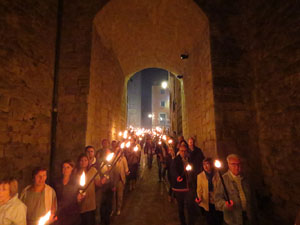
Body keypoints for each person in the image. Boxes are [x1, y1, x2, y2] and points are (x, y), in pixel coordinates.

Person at [214, 154, 253, 225]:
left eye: (238, 164)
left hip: (247, 217)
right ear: (228, 165)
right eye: (233, 164)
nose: (237, 167)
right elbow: (217, 200)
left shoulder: (245, 178)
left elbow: (252, 199)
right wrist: (225, 205)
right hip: (233, 220)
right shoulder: (223, 180)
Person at [76, 153, 103, 225]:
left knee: (89, 221)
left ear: (88, 161)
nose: (83, 162)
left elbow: (98, 183)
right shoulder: (76, 172)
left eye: (85, 160)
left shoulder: (93, 170)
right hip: (79, 203)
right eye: (81, 160)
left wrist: (102, 181)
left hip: (90, 202)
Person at [171, 145, 194, 225]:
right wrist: (177, 177)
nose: (183, 153)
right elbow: (173, 170)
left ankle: (191, 222)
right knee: (180, 207)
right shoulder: (176, 160)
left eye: (185, 151)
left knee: (190, 206)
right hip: (180, 188)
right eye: (181, 151)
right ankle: (183, 222)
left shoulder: (189, 159)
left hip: (188, 186)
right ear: (179, 151)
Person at [53, 160, 81, 225]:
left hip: (72, 212)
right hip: (59, 212)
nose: (65, 169)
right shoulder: (56, 182)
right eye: (64, 167)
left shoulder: (75, 182)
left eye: (68, 167)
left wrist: (79, 198)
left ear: (72, 169)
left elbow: (79, 195)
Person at [196, 158, 223, 225]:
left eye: (207, 164)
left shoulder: (217, 174)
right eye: (204, 164)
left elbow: (221, 186)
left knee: (218, 218)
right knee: (209, 219)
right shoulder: (200, 176)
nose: (205, 166)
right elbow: (199, 189)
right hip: (207, 200)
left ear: (211, 165)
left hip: (216, 199)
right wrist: (199, 197)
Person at [112, 146, 129, 216]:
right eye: (116, 151)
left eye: (119, 151)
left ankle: (118, 208)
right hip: (113, 180)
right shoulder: (113, 158)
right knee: (113, 196)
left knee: (119, 195)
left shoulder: (123, 159)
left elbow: (126, 167)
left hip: (120, 180)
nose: (118, 152)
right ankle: (113, 209)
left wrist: (126, 172)